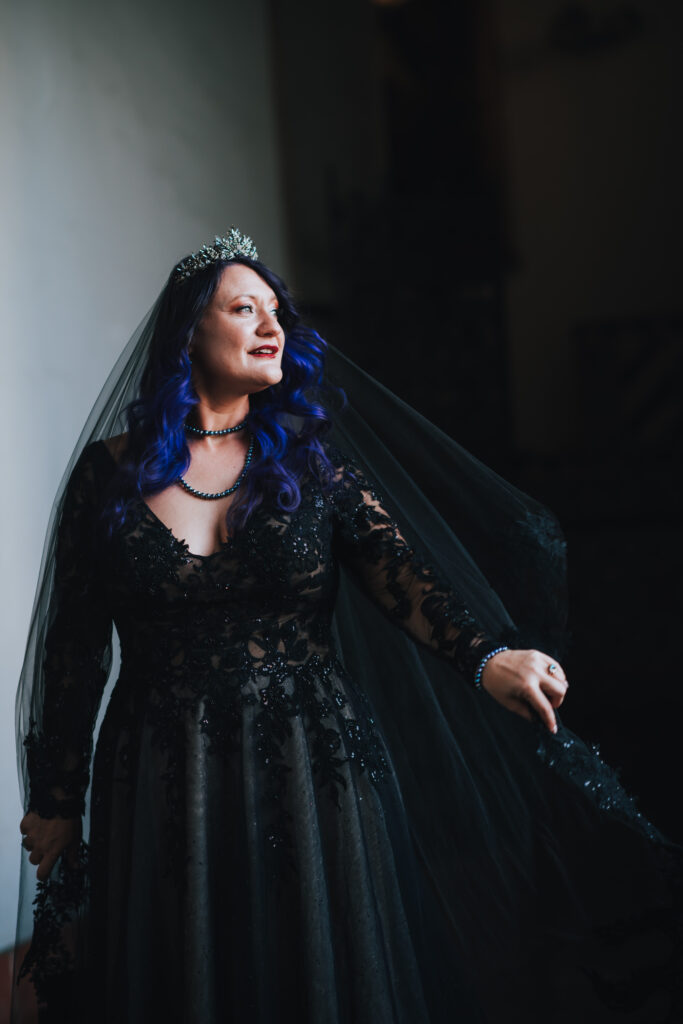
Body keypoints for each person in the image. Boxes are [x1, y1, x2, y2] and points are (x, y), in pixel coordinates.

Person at [12, 229, 682, 1023]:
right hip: (163, 768)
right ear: (187, 330)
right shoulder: (107, 476)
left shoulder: (309, 463)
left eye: (276, 313)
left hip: (311, 760)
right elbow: (73, 648)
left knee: (323, 976)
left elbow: (402, 579)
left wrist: (486, 657)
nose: (271, 327)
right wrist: (56, 797)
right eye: (242, 308)